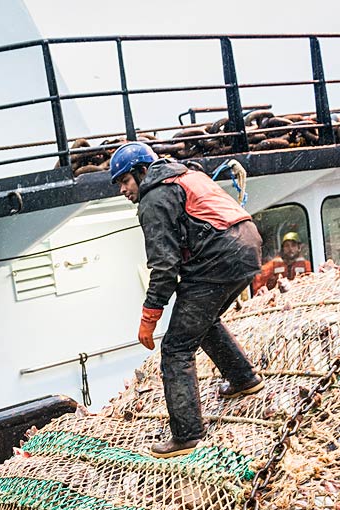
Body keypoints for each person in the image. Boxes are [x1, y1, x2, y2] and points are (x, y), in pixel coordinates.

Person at [110, 142, 264, 459]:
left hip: (217, 260)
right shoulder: (184, 174)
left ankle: (186, 435)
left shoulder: (153, 197)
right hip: (247, 247)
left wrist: (148, 318)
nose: (123, 190)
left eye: (124, 181)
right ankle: (244, 379)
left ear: (141, 172)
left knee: (176, 348)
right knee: (201, 322)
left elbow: (164, 266)